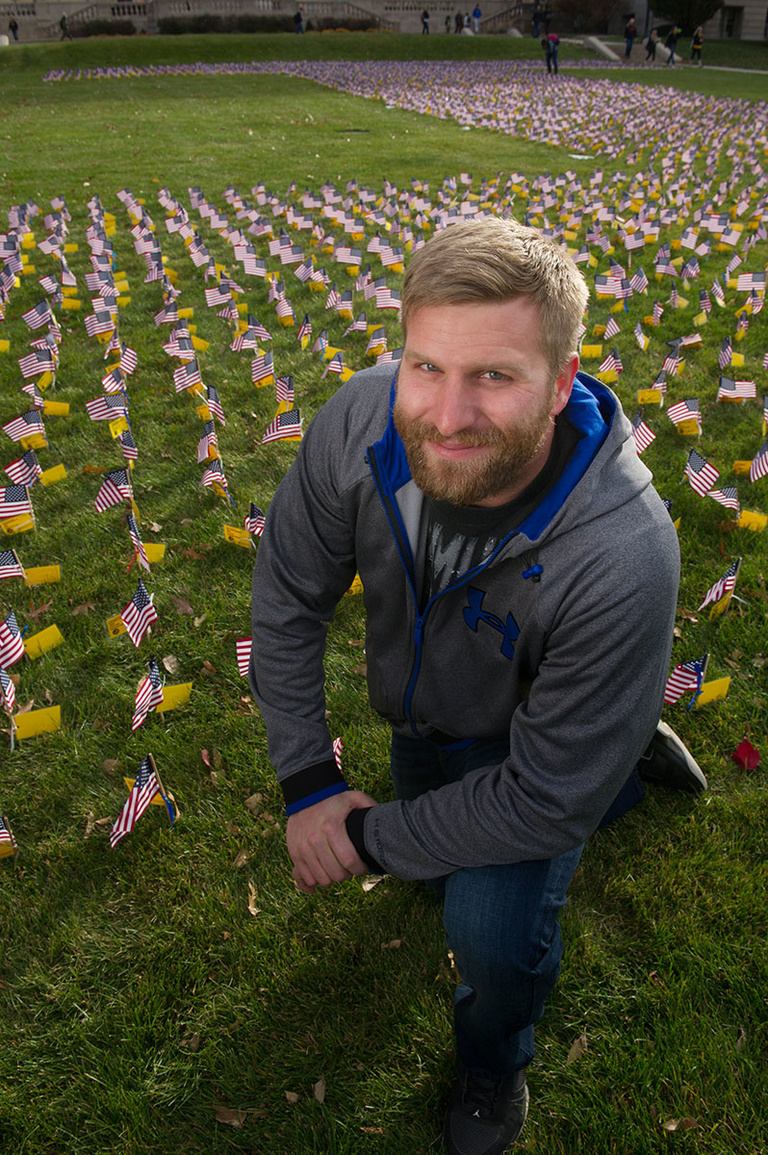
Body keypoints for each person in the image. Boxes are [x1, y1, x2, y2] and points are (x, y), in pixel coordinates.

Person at [250, 218, 705, 1155]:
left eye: (494, 375)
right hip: (424, 716)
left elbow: (538, 803)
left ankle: (494, 1061)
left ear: (561, 382)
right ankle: (617, 750)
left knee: (490, 933)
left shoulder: (625, 553)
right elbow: (289, 594)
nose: (447, 415)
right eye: (427, 366)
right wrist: (308, 780)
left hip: (527, 765)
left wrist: (360, 837)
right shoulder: (360, 420)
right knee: (438, 864)